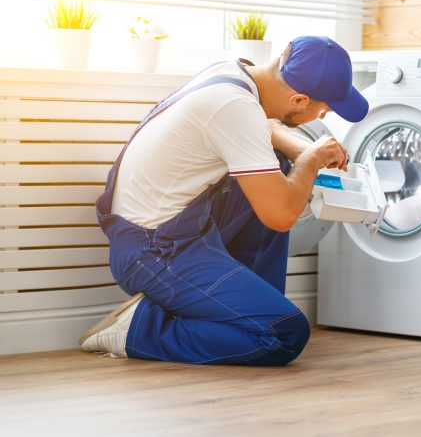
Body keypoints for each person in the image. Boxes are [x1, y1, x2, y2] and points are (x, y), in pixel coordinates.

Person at [79, 36, 369, 366]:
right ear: (299, 99)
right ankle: (137, 331)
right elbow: (280, 215)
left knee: (277, 163)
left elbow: (256, 128)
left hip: (174, 230)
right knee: (284, 334)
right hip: (153, 252)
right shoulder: (234, 107)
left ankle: (247, 308)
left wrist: (300, 150)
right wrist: (311, 161)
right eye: (326, 108)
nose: (327, 114)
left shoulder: (234, 75)